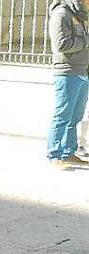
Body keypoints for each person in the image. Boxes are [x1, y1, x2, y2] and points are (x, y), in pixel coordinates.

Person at [47, 0, 89, 167]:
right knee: (62, 116)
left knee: (75, 116)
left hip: (82, 71)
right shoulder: (62, 14)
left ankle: (68, 152)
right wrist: (87, 41)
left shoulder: (79, 15)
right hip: (67, 72)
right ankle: (55, 154)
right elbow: (62, 44)